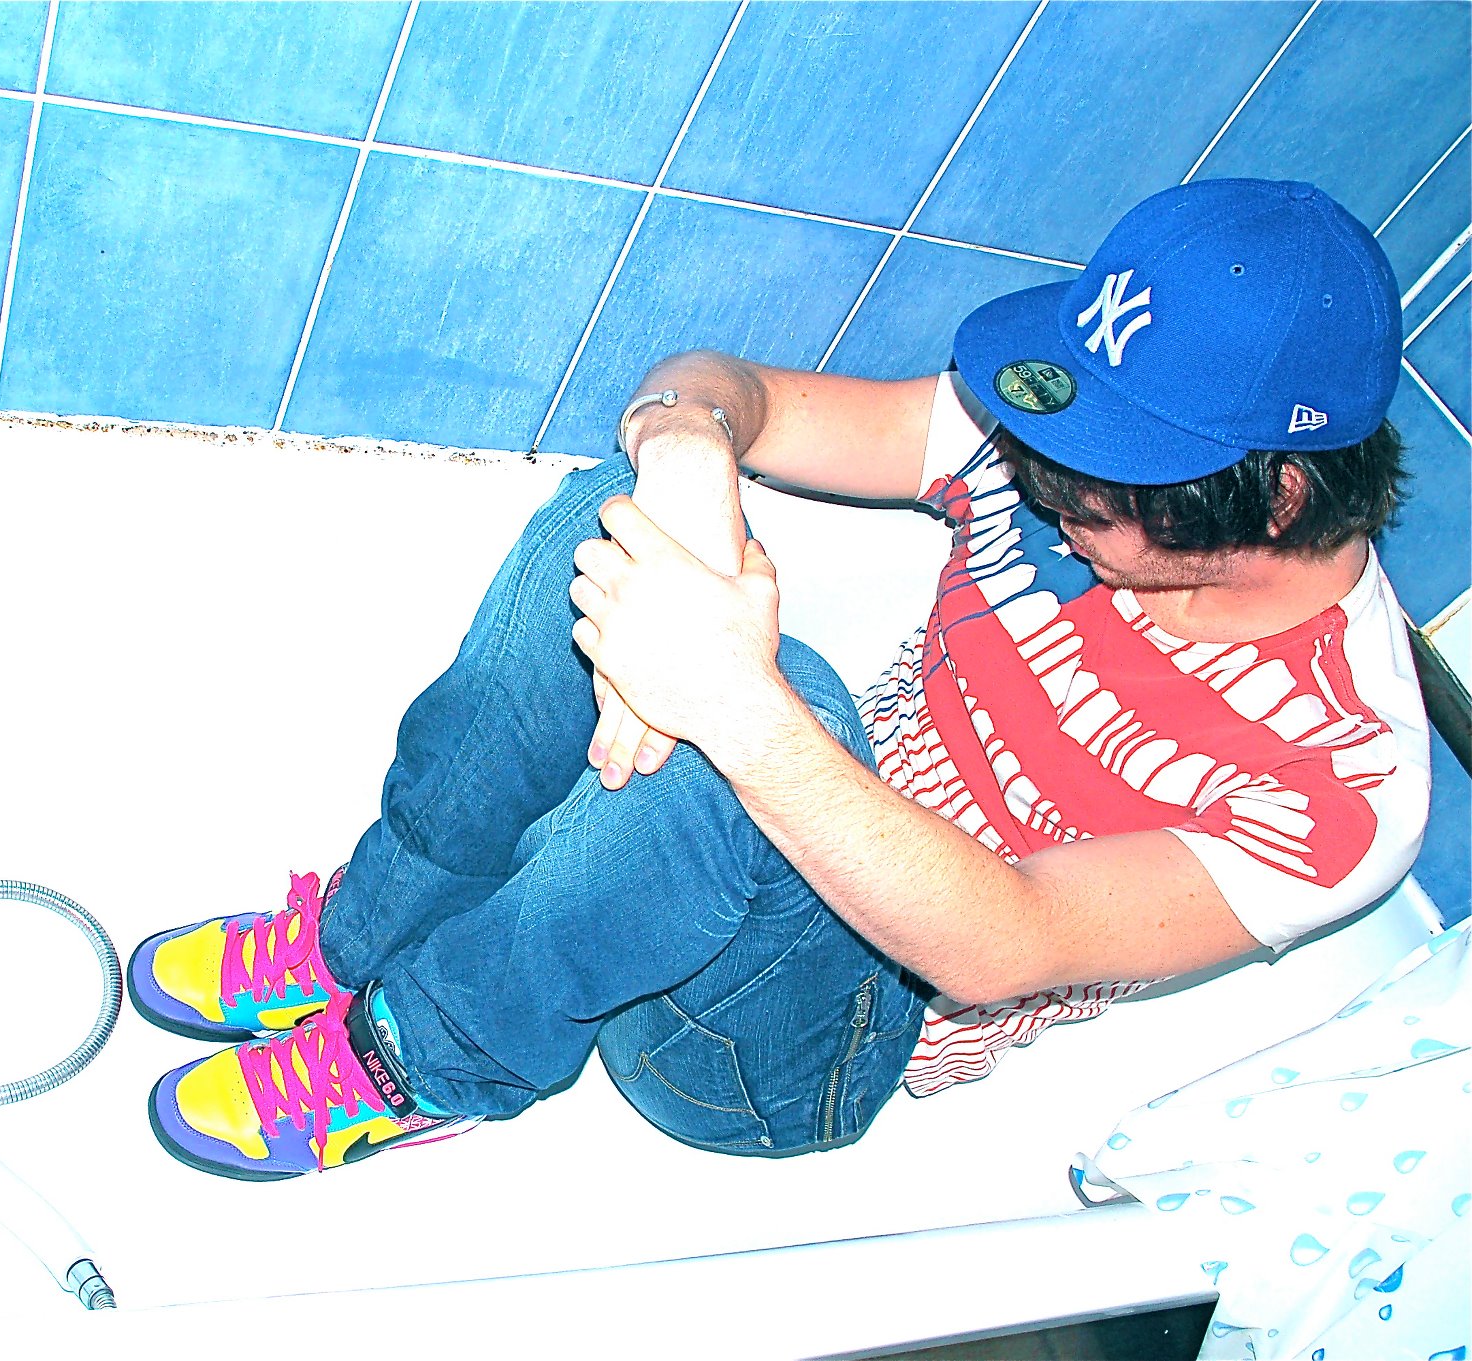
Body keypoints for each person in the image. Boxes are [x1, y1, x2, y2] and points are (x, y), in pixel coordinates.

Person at [128, 178, 1434, 1180]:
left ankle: (430, 1055)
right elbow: (723, 388)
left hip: (797, 1042)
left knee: (764, 716)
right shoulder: (1063, 455)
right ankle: (364, 930)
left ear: (1278, 495)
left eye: (1104, 479)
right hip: (722, 856)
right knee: (617, 523)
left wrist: (737, 705)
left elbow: (1008, 941)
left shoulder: (1347, 784)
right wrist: (688, 455)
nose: (1046, 484)